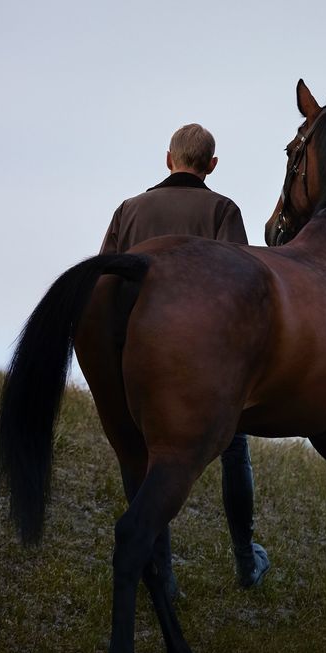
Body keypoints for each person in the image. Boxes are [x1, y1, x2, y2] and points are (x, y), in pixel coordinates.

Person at [100, 122, 270, 591]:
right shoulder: (222, 210)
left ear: (167, 158)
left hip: (136, 364)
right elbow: (244, 289)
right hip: (206, 369)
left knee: (147, 461)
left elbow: (104, 288)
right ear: (211, 166)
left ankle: (164, 573)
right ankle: (244, 560)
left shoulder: (128, 211)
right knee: (235, 449)